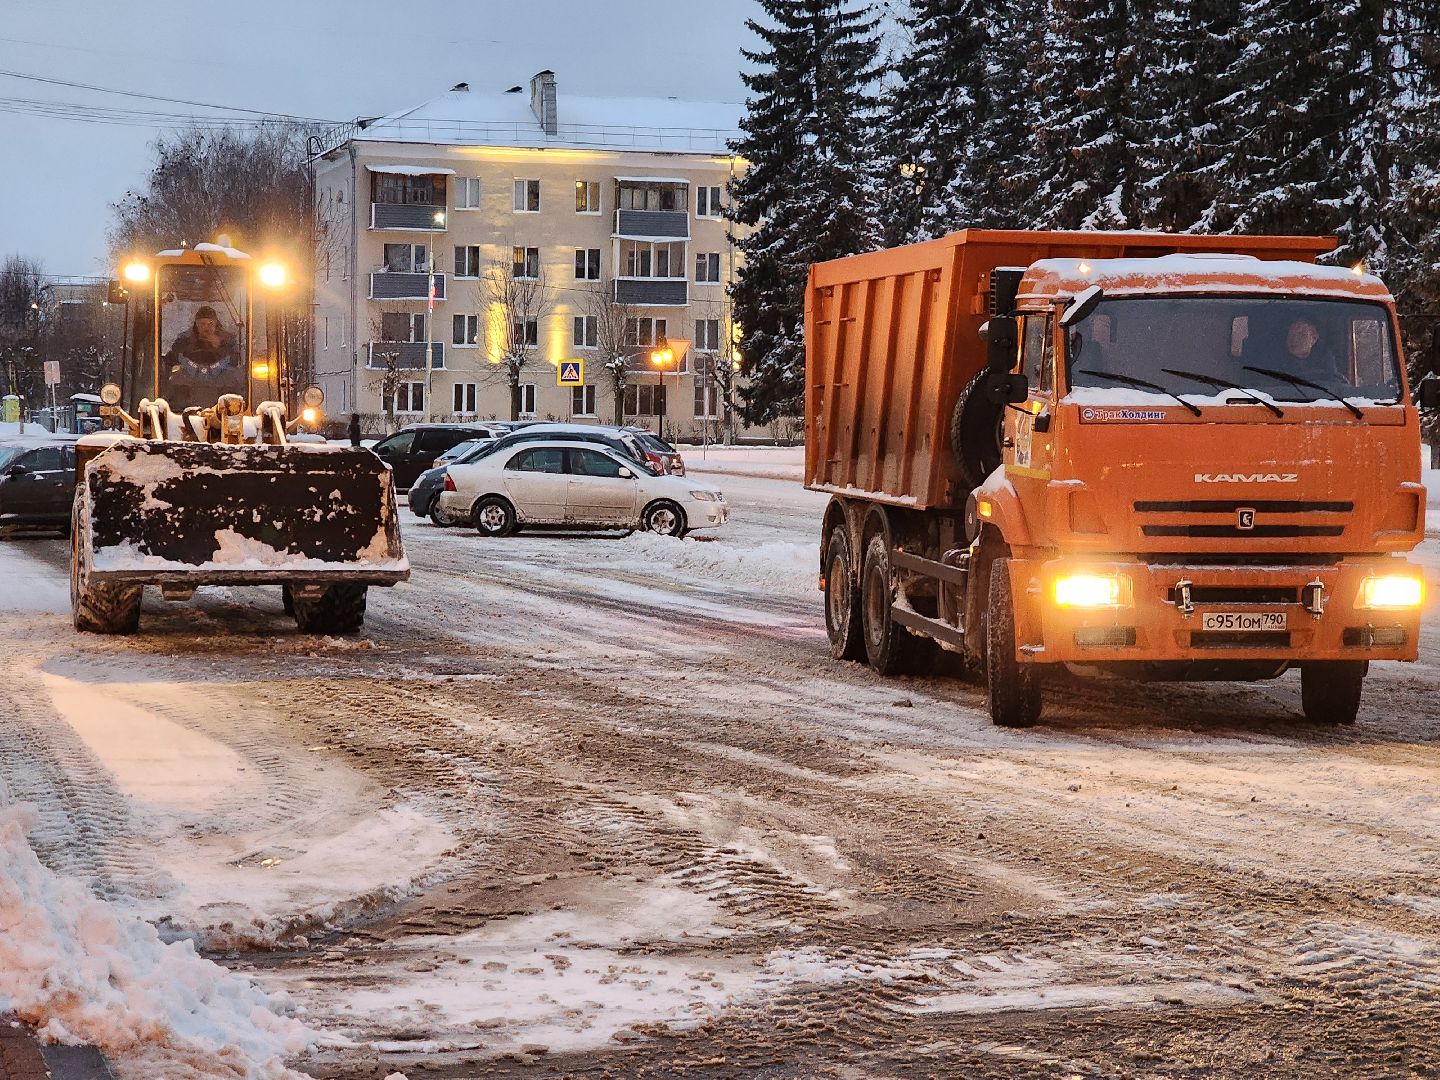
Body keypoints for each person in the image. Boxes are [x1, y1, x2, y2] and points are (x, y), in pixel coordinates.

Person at [162, 306, 244, 402]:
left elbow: (235, 361)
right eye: (202, 324)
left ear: (216, 323)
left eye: (210, 324)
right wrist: (190, 348)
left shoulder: (227, 340)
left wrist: (219, 347)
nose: (206, 328)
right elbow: (173, 357)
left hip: (221, 383)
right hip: (188, 383)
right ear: (196, 324)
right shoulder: (184, 340)